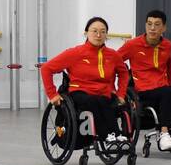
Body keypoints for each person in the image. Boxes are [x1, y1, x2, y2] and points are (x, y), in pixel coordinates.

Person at [41, 16, 129, 145]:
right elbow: (46, 68)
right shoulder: (75, 53)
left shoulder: (113, 55)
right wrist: (52, 94)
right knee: (94, 101)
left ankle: (115, 134)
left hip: (104, 94)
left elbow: (124, 73)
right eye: (94, 31)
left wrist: (121, 93)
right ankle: (108, 135)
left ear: (106, 35)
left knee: (106, 101)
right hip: (80, 92)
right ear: (86, 33)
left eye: (103, 31)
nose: (98, 35)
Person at [118, 10, 171, 151]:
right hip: (142, 92)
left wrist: (170, 85)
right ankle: (163, 133)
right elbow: (115, 60)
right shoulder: (133, 45)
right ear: (145, 25)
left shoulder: (167, 45)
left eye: (157, 25)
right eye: (149, 24)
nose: (152, 28)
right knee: (167, 92)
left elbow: (169, 66)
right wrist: (123, 74)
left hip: (162, 89)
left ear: (164, 28)